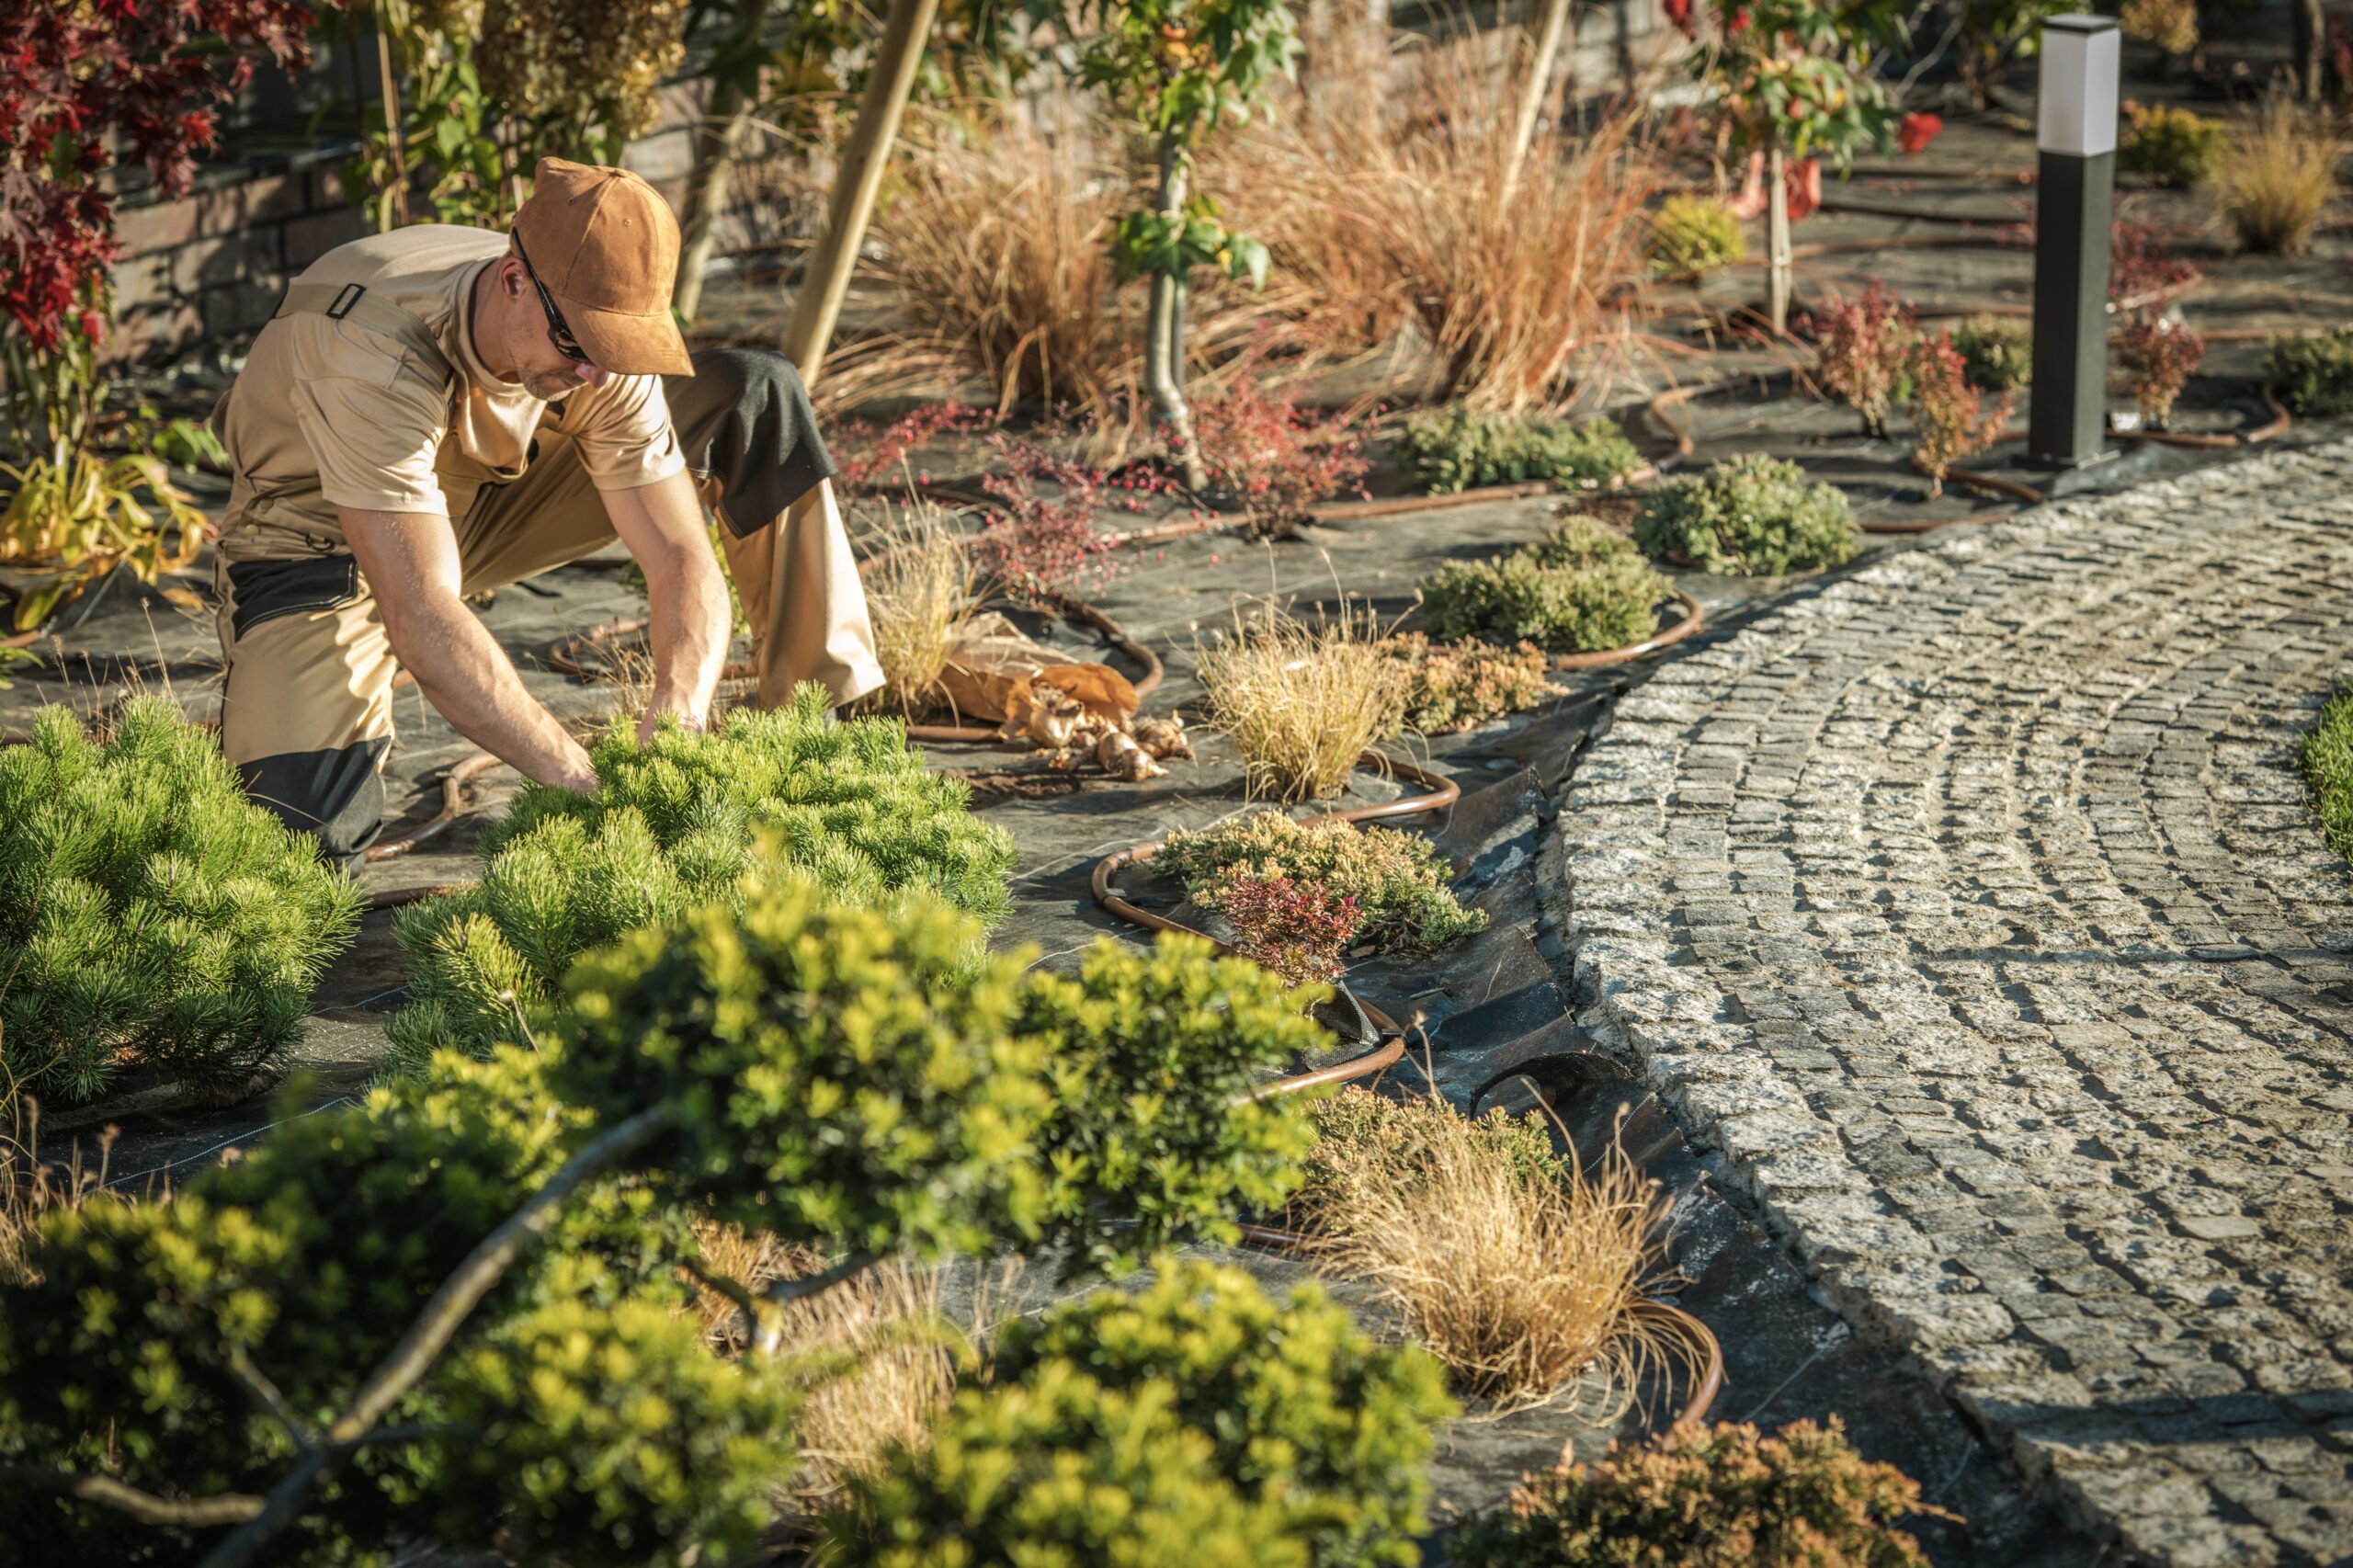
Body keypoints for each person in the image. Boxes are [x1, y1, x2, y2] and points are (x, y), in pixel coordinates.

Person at [207, 156, 881, 869]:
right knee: (299, 832)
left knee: (755, 395)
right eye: (581, 344)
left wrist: (677, 725)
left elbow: (678, 552)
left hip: (478, 504)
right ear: (513, 282)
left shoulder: (591, 332)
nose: (597, 372)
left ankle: (813, 739)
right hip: (320, 542)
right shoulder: (371, 350)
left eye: (619, 348)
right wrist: (581, 782)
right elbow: (420, 610)